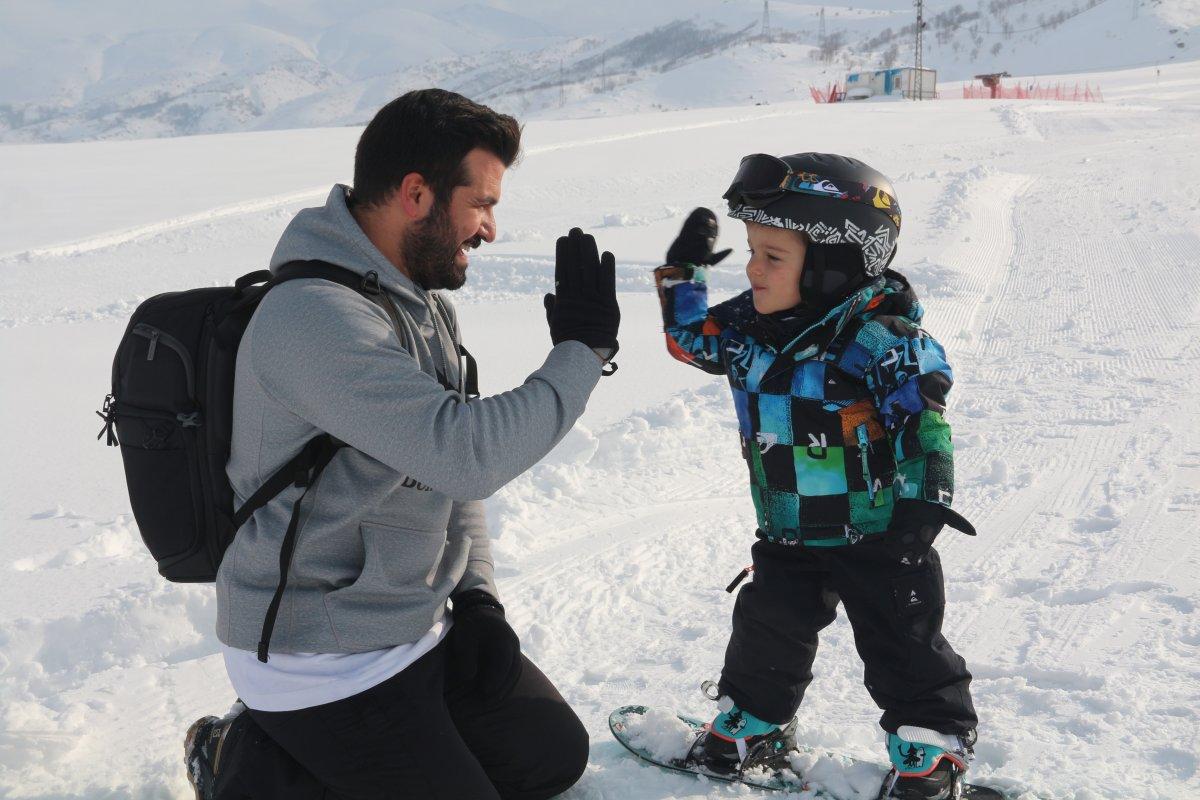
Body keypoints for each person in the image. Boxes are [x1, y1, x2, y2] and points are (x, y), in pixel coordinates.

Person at [184, 89, 620, 800]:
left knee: (549, 757)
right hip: (319, 655)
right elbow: (467, 452)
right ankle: (245, 750)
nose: (489, 230)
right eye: (481, 204)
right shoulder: (315, 319)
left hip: (410, 628)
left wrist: (476, 601)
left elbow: (445, 472)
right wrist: (580, 353)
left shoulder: (416, 306)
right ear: (416, 194)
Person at [653, 153, 978, 800]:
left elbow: (924, 425)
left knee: (903, 645)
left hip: (880, 535)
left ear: (836, 262)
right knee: (767, 630)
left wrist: (923, 508)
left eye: (773, 256)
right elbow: (690, 339)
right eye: (750, 251)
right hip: (789, 530)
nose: (751, 269)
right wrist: (683, 271)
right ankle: (759, 721)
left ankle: (931, 750)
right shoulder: (749, 331)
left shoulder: (876, 339)